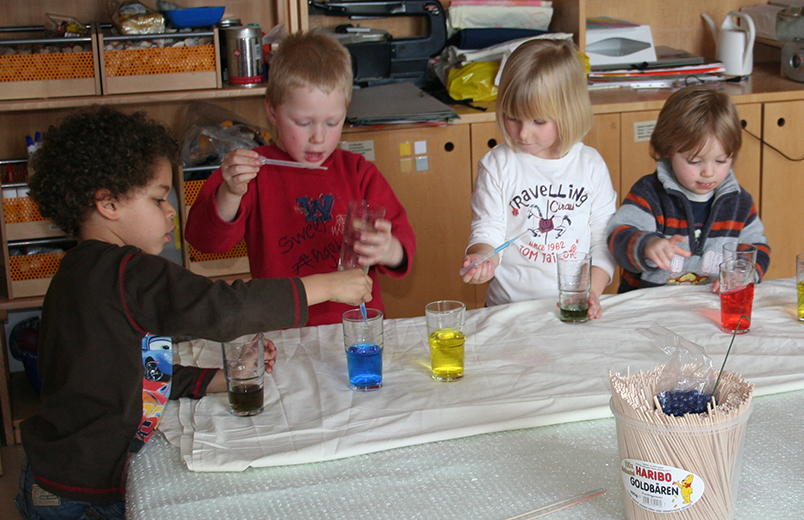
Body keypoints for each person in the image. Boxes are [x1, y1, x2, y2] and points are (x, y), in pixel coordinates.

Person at [15, 107, 372, 520]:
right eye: (157, 199)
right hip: (82, 489)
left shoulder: (79, 270)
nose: (171, 210)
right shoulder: (129, 271)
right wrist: (325, 286)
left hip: (53, 475)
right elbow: (223, 310)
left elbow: (126, 368)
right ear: (109, 204)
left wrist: (216, 379)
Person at [184, 31, 416, 326]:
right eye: (303, 122)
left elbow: (403, 245)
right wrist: (230, 192)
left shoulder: (358, 172)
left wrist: (389, 249)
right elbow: (204, 241)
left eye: (332, 122)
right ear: (272, 111)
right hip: (282, 328)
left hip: (356, 328)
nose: (318, 137)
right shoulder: (253, 171)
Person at [461, 38, 618, 319]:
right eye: (512, 117)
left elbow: (602, 242)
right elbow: (487, 230)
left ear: (569, 113)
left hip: (571, 306)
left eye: (538, 121)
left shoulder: (591, 165)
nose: (522, 133)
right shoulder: (497, 164)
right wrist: (483, 257)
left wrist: (590, 293)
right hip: (507, 311)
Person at [606, 85, 770, 292]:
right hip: (650, 305)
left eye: (720, 161)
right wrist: (646, 245)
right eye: (694, 161)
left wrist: (742, 274)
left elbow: (758, 249)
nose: (708, 172)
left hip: (709, 303)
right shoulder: (649, 194)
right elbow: (617, 235)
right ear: (668, 150)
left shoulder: (739, 203)